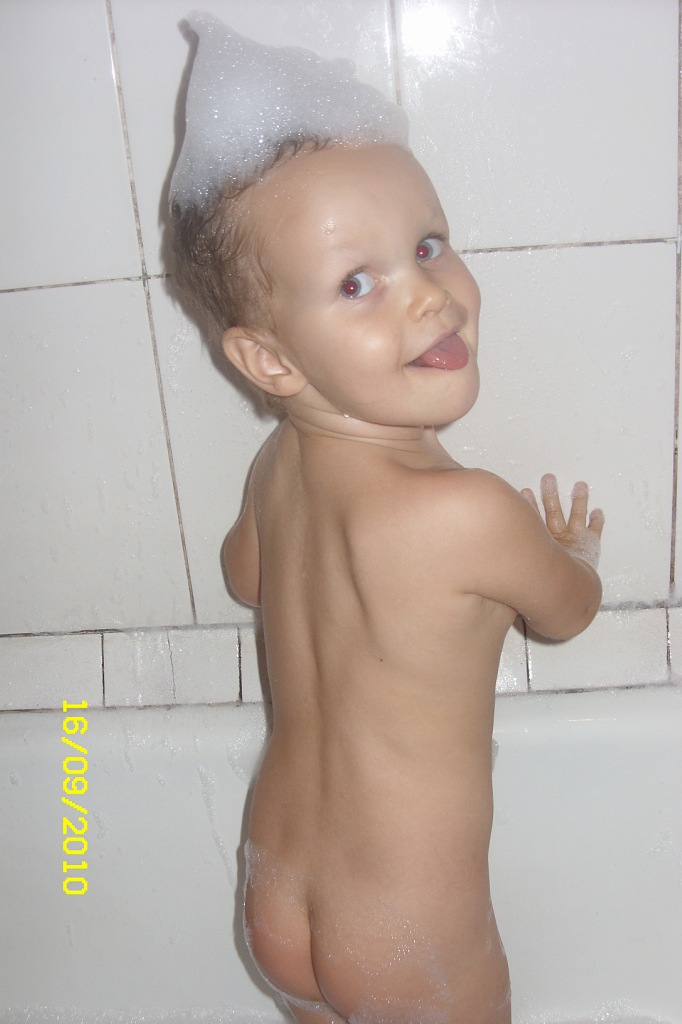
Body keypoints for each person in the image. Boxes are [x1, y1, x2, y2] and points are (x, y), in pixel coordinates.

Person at [170, 20, 604, 1024]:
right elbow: (569, 611)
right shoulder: (469, 512)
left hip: (275, 895)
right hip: (405, 935)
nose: (428, 299)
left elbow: (247, 577)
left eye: (427, 246)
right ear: (270, 361)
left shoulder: (275, 469)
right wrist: (567, 551)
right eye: (357, 283)